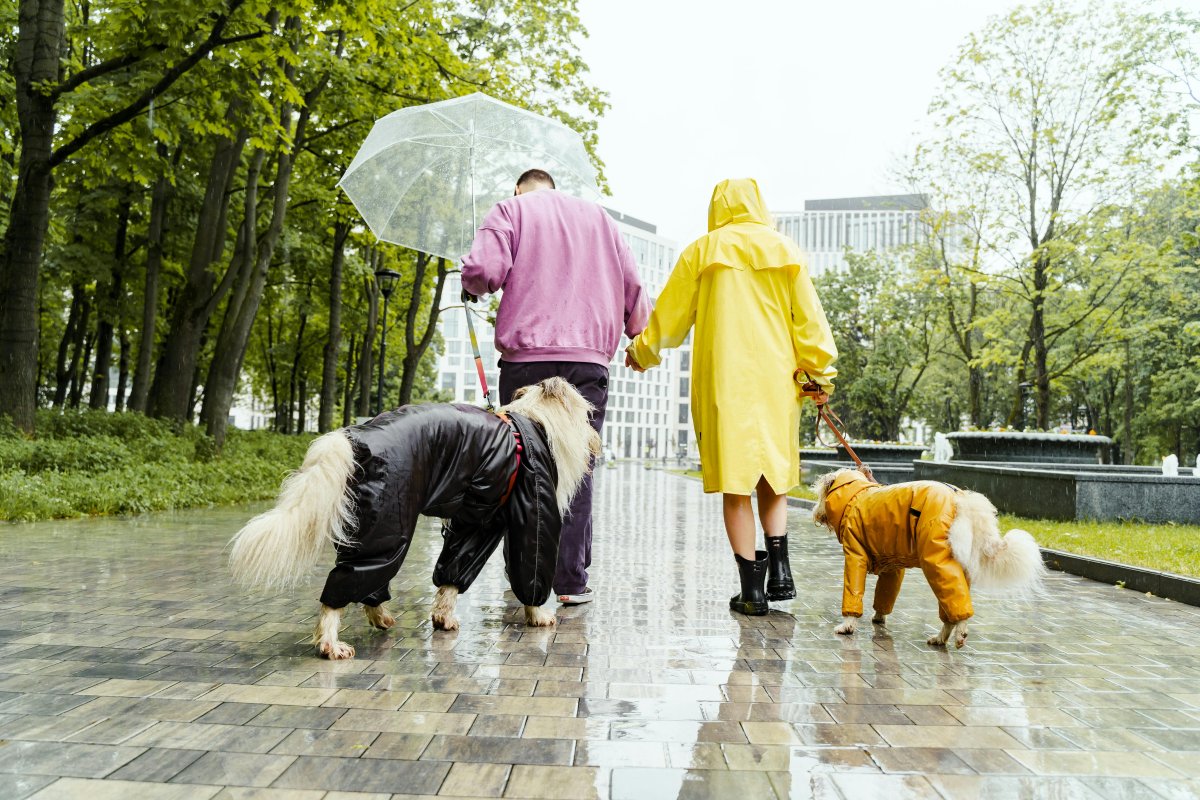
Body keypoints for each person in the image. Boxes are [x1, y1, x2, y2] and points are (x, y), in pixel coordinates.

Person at [625, 178, 837, 616]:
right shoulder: (786, 251)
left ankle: (752, 591)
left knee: (736, 483)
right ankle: (780, 569)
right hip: (778, 380)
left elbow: (669, 317)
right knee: (773, 475)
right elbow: (810, 322)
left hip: (726, 380)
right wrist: (819, 375)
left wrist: (642, 352)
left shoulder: (702, 252)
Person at [461, 168, 649, 605]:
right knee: (577, 467)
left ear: (518, 188)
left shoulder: (510, 210)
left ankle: (526, 578)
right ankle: (569, 582)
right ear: (552, 186)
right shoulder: (601, 219)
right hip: (587, 362)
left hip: (528, 363)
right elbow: (633, 289)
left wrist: (471, 280)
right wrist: (637, 335)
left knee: (520, 467)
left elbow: (484, 272)